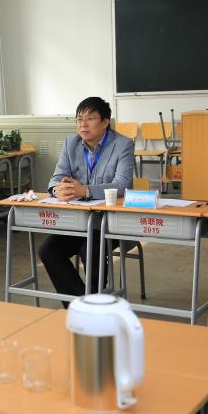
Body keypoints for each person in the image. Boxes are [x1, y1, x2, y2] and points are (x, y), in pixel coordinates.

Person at [38, 96, 134, 299]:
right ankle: (83, 302)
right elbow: (56, 178)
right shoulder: (70, 144)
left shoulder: (123, 144)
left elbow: (121, 185)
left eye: (90, 119)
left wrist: (86, 191)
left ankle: (92, 300)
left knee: (90, 248)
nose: (83, 124)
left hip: (112, 222)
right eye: (79, 119)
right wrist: (57, 190)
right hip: (79, 222)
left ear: (105, 122)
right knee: (48, 250)